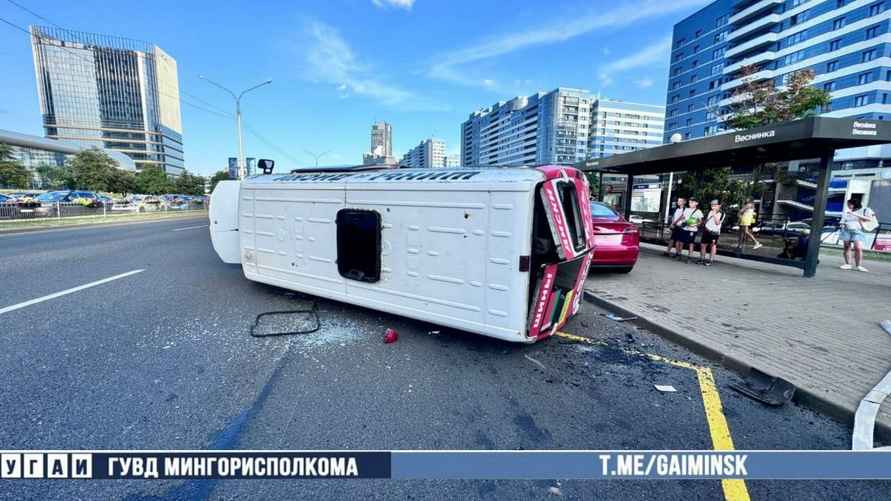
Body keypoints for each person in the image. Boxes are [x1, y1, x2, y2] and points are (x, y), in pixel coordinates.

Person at [839, 199, 876, 272]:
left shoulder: (863, 210)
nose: (848, 206)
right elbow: (842, 221)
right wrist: (842, 224)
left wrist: (854, 214)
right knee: (846, 247)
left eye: (849, 204)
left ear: (854, 204)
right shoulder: (847, 211)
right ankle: (848, 264)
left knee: (858, 247)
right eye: (848, 204)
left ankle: (859, 265)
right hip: (846, 230)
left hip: (858, 230)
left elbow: (869, 219)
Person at [675, 198, 703, 263]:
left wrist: (694, 224)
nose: (690, 204)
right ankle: (679, 254)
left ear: (696, 203)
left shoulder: (698, 211)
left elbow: (700, 222)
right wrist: (681, 222)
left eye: (692, 202)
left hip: (692, 230)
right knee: (681, 241)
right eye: (689, 202)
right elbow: (683, 217)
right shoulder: (686, 209)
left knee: (691, 243)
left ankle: (689, 257)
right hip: (684, 228)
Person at [699, 199, 725, 266]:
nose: (713, 206)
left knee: (712, 246)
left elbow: (717, 223)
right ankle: (702, 259)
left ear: (719, 205)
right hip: (706, 230)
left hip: (714, 232)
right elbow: (707, 220)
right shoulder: (710, 211)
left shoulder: (722, 213)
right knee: (703, 245)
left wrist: (714, 215)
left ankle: (710, 260)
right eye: (712, 205)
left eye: (715, 205)